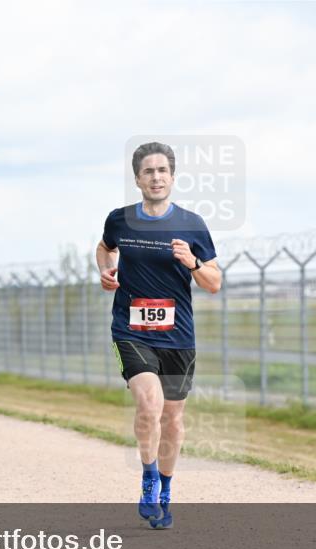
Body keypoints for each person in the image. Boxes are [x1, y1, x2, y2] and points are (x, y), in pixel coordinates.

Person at [95, 142, 222, 528]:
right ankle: (148, 478)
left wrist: (193, 262)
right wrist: (106, 270)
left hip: (178, 337)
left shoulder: (191, 224)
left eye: (162, 171)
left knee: (172, 418)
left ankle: (166, 489)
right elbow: (104, 247)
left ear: (172, 177)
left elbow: (213, 282)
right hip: (131, 330)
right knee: (148, 405)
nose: (156, 177)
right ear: (137, 179)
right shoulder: (120, 220)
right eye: (148, 171)